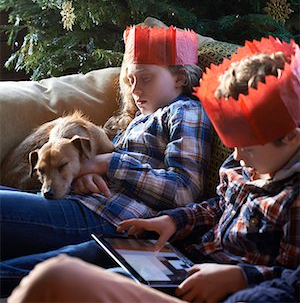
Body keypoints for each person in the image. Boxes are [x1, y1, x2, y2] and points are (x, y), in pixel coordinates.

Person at [7, 36, 299, 303]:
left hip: (209, 278)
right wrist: (173, 222)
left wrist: (241, 276)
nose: (235, 156)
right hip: (177, 252)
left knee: (69, 277)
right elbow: (219, 206)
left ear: (291, 137)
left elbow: (289, 275)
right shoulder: (244, 164)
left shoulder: (291, 198)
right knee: (76, 257)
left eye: (245, 147)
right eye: (130, 80)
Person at [0, 25, 212, 297]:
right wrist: (82, 175)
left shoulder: (186, 112)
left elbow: (184, 191)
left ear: (180, 77)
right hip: (87, 202)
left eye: (145, 78)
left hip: (114, 218)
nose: (136, 90)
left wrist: (105, 164)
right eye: (130, 80)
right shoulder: (136, 120)